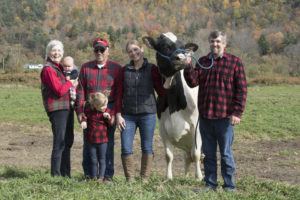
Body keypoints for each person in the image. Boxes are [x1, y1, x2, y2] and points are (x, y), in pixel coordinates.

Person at [184, 30, 247, 192]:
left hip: (225, 118)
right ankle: (210, 184)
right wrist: (188, 65)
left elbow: (241, 90)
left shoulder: (235, 62)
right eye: (212, 41)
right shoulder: (204, 61)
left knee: (225, 154)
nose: (215, 44)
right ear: (209, 43)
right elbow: (192, 82)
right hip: (205, 116)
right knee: (209, 154)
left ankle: (229, 185)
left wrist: (237, 113)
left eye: (218, 41)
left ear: (224, 43)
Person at [115, 40, 167, 182]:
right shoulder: (124, 71)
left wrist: (169, 80)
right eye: (130, 51)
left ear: (142, 49)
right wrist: (118, 115)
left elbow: (161, 92)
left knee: (147, 147)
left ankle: (144, 179)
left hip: (148, 114)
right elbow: (118, 94)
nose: (134, 53)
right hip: (127, 115)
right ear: (128, 54)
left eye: (136, 49)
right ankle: (130, 180)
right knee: (126, 147)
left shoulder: (152, 69)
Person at [76, 36, 122, 182]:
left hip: (108, 110)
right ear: (94, 51)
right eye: (97, 50)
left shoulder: (116, 68)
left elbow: (120, 93)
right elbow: (80, 91)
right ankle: (89, 175)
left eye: (102, 49)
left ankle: (107, 176)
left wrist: (114, 113)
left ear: (108, 51)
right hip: (90, 111)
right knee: (88, 144)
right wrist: (80, 112)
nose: (99, 52)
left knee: (107, 144)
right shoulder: (86, 67)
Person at [41, 40, 78, 177]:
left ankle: (66, 174)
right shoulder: (48, 69)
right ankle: (56, 175)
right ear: (48, 53)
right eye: (53, 50)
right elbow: (58, 90)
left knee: (67, 141)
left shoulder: (60, 68)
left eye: (59, 51)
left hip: (66, 108)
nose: (57, 53)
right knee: (60, 142)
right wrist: (70, 82)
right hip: (57, 109)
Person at [80, 92, 115, 181]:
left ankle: (101, 177)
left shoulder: (106, 112)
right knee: (93, 159)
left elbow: (111, 124)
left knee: (102, 159)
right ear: (95, 105)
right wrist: (83, 121)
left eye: (106, 105)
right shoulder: (89, 111)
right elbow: (84, 116)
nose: (105, 108)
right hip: (91, 141)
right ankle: (93, 176)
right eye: (102, 106)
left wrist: (108, 118)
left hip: (103, 141)